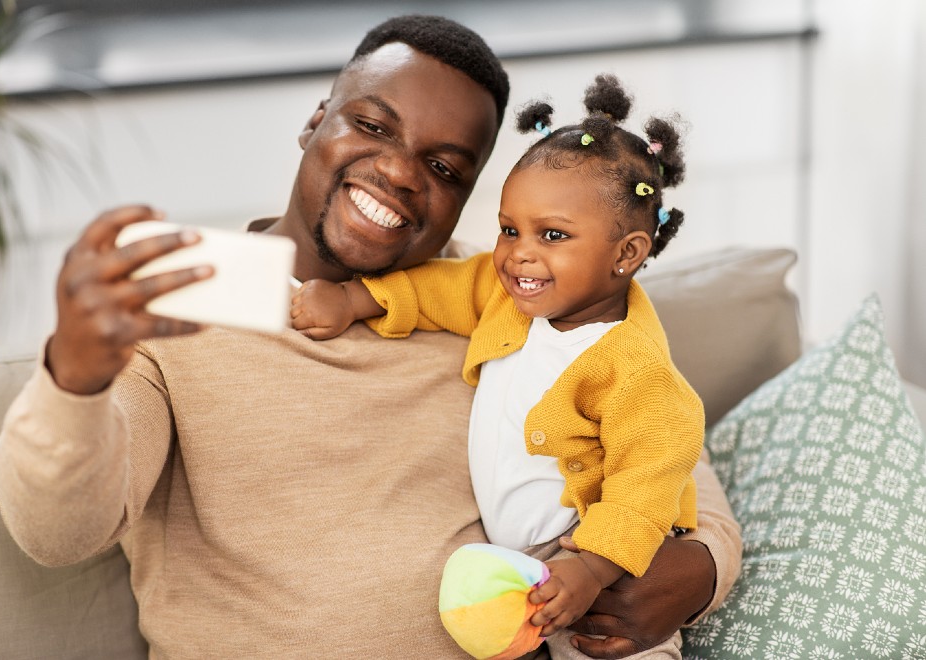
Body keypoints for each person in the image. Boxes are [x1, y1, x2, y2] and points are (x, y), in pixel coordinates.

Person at [0, 15, 741, 659]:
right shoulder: (184, 302)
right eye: (373, 125)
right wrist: (73, 380)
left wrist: (701, 570)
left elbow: (666, 447)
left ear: (465, 197)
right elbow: (57, 534)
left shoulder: (512, 301)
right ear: (316, 119)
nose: (396, 171)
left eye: (443, 166)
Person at [291, 74, 702, 659]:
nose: (519, 253)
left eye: (553, 235)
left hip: (599, 556)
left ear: (627, 253)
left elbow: (648, 483)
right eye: (510, 229)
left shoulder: (635, 370)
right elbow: (442, 289)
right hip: (522, 559)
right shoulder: (507, 293)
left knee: (610, 649)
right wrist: (356, 300)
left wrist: (592, 568)